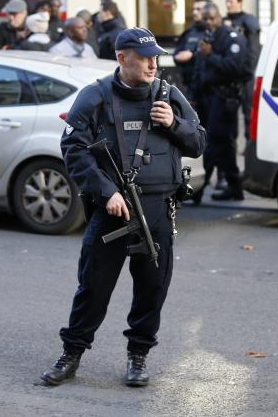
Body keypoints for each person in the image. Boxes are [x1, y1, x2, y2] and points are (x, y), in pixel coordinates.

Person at [40, 27, 206, 387]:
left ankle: (138, 356)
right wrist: (105, 191)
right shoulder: (95, 96)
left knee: (152, 288)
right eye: (144, 57)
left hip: (159, 208)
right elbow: (73, 149)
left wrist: (173, 124)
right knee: (93, 287)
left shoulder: (168, 95)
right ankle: (72, 354)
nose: (152, 64)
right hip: (113, 209)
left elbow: (198, 142)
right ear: (122, 58)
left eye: (155, 57)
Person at [193, 3, 252, 201]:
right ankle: (234, 187)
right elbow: (200, 68)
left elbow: (234, 67)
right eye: (206, 19)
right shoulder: (207, 37)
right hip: (207, 97)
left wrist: (211, 56)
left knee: (215, 143)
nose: (209, 22)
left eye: (212, 18)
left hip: (225, 98)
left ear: (219, 17)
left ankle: (199, 189)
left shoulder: (231, 37)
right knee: (224, 145)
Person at [224, 0, 261, 140]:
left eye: (231, 1)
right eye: (226, 1)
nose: (228, 4)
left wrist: (249, 70)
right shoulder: (223, 21)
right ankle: (230, 146)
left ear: (239, 2)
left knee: (248, 112)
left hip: (246, 75)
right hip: (229, 75)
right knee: (228, 114)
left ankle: (250, 144)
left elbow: (253, 48)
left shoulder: (248, 20)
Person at [173, 0, 211, 97]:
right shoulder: (189, 32)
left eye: (198, 9)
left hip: (209, 88)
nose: (194, 12)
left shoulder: (214, 31)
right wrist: (178, 57)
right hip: (189, 87)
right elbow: (176, 54)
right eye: (194, 9)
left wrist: (193, 55)